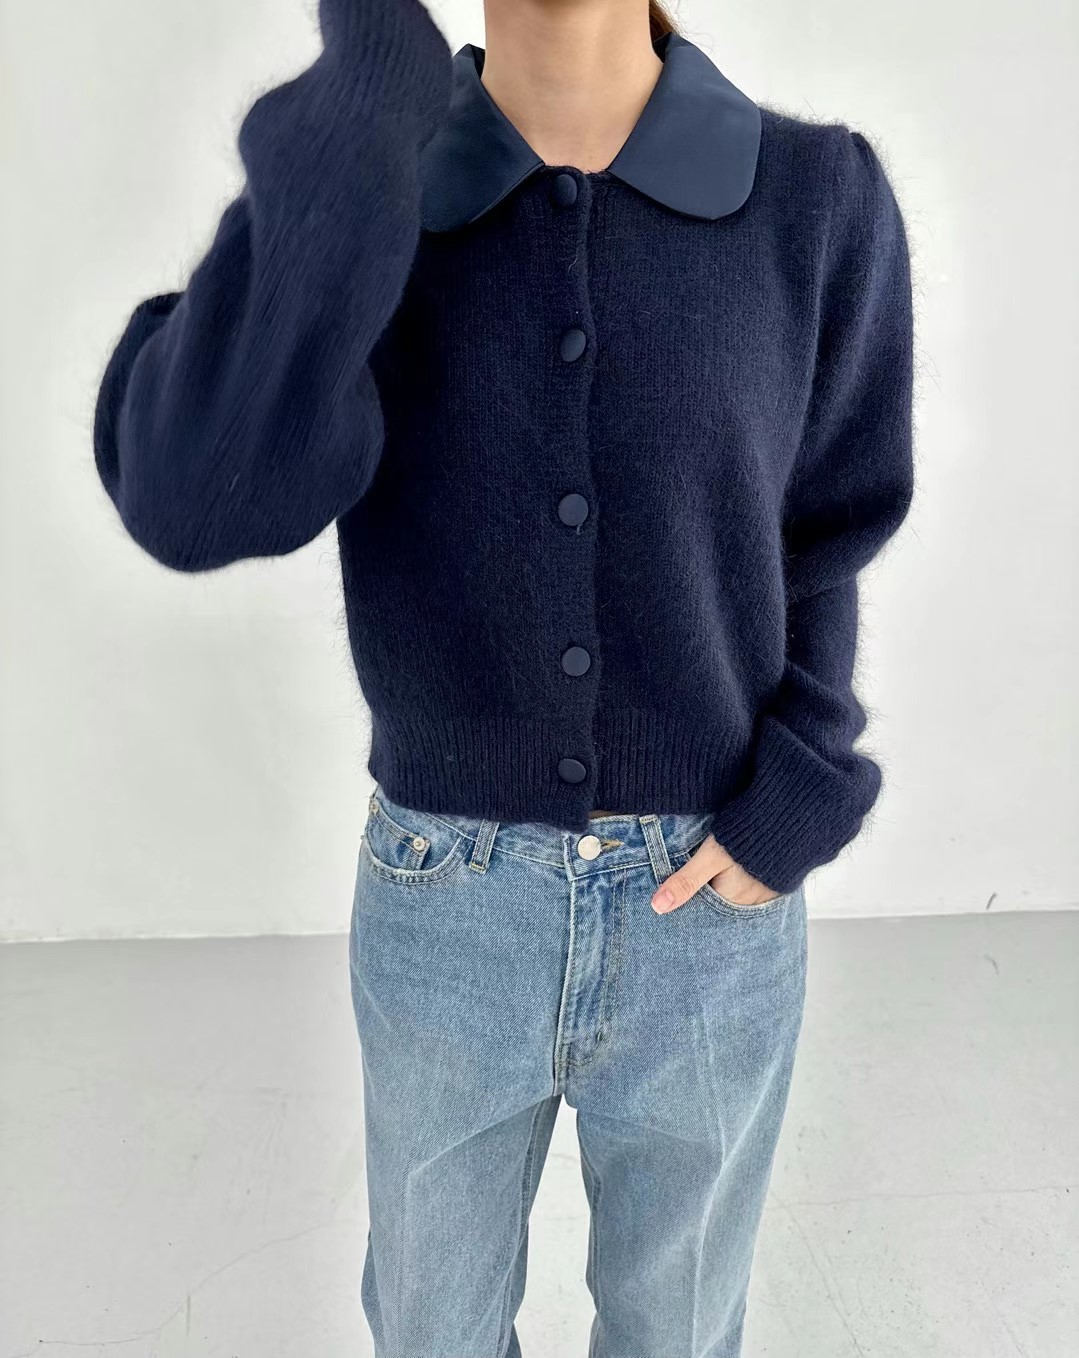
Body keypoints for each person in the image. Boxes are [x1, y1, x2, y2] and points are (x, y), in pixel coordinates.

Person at [93, 0, 914, 1352]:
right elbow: (192, 490)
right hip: (447, 904)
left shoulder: (815, 197)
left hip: (709, 903)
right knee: (432, 1328)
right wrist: (369, 81)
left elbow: (825, 524)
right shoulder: (378, 199)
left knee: (680, 1330)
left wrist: (802, 790)